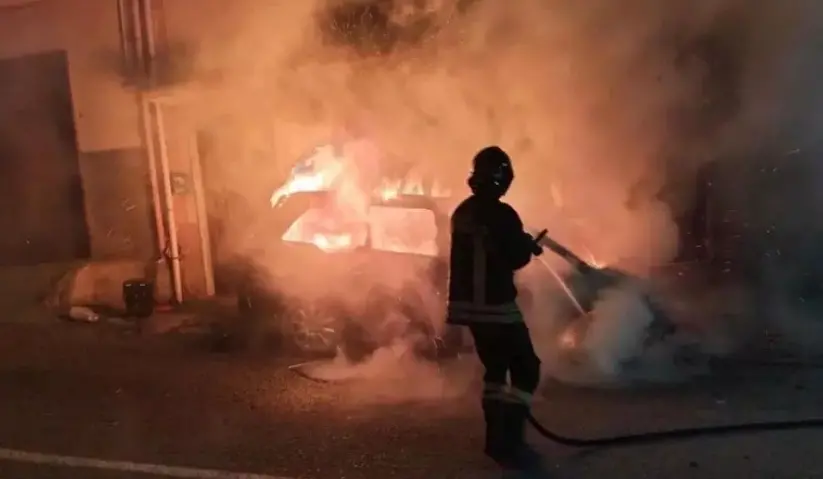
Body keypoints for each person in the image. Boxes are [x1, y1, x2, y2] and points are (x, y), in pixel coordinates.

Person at [446, 145, 544, 469]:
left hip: (471, 311)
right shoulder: (503, 214)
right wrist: (529, 247)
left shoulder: (462, 212)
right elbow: (514, 257)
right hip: (498, 307)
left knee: (495, 373)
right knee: (527, 369)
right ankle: (511, 438)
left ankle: (495, 439)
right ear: (503, 179)